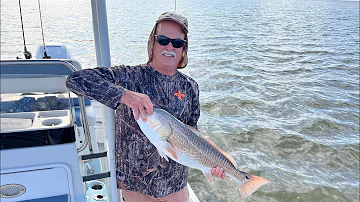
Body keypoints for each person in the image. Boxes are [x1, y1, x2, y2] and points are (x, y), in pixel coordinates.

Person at [66, 12, 225, 202]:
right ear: (152, 42)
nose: (169, 47)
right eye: (163, 40)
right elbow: (75, 80)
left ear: (184, 49)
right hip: (136, 188)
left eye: (177, 43)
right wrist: (124, 95)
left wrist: (212, 164)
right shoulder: (129, 77)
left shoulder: (190, 87)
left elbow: (193, 134)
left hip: (176, 187)